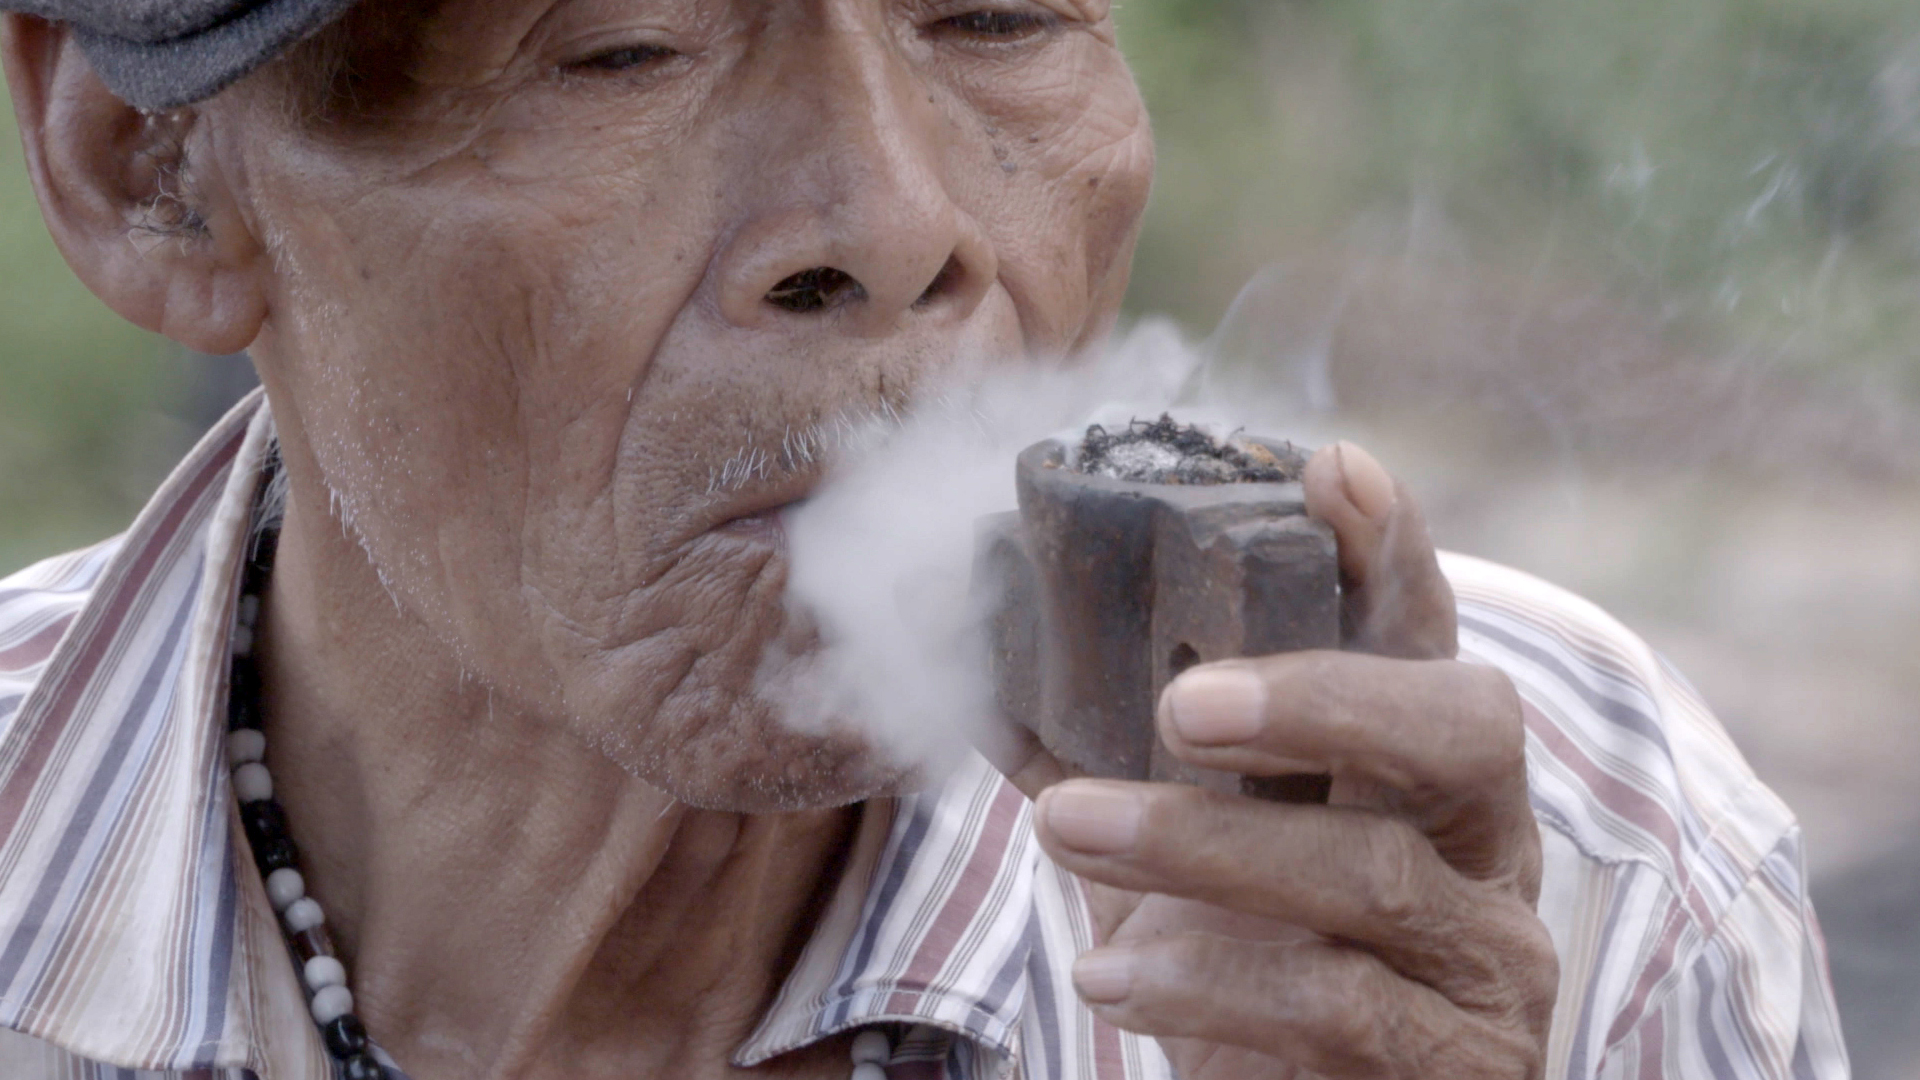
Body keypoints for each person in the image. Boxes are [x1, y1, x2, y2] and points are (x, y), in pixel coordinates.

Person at [0, 2, 1847, 1078]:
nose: (893, 225)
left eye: (997, 11)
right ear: (143, 171)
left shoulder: (1579, 870)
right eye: (623, 45)